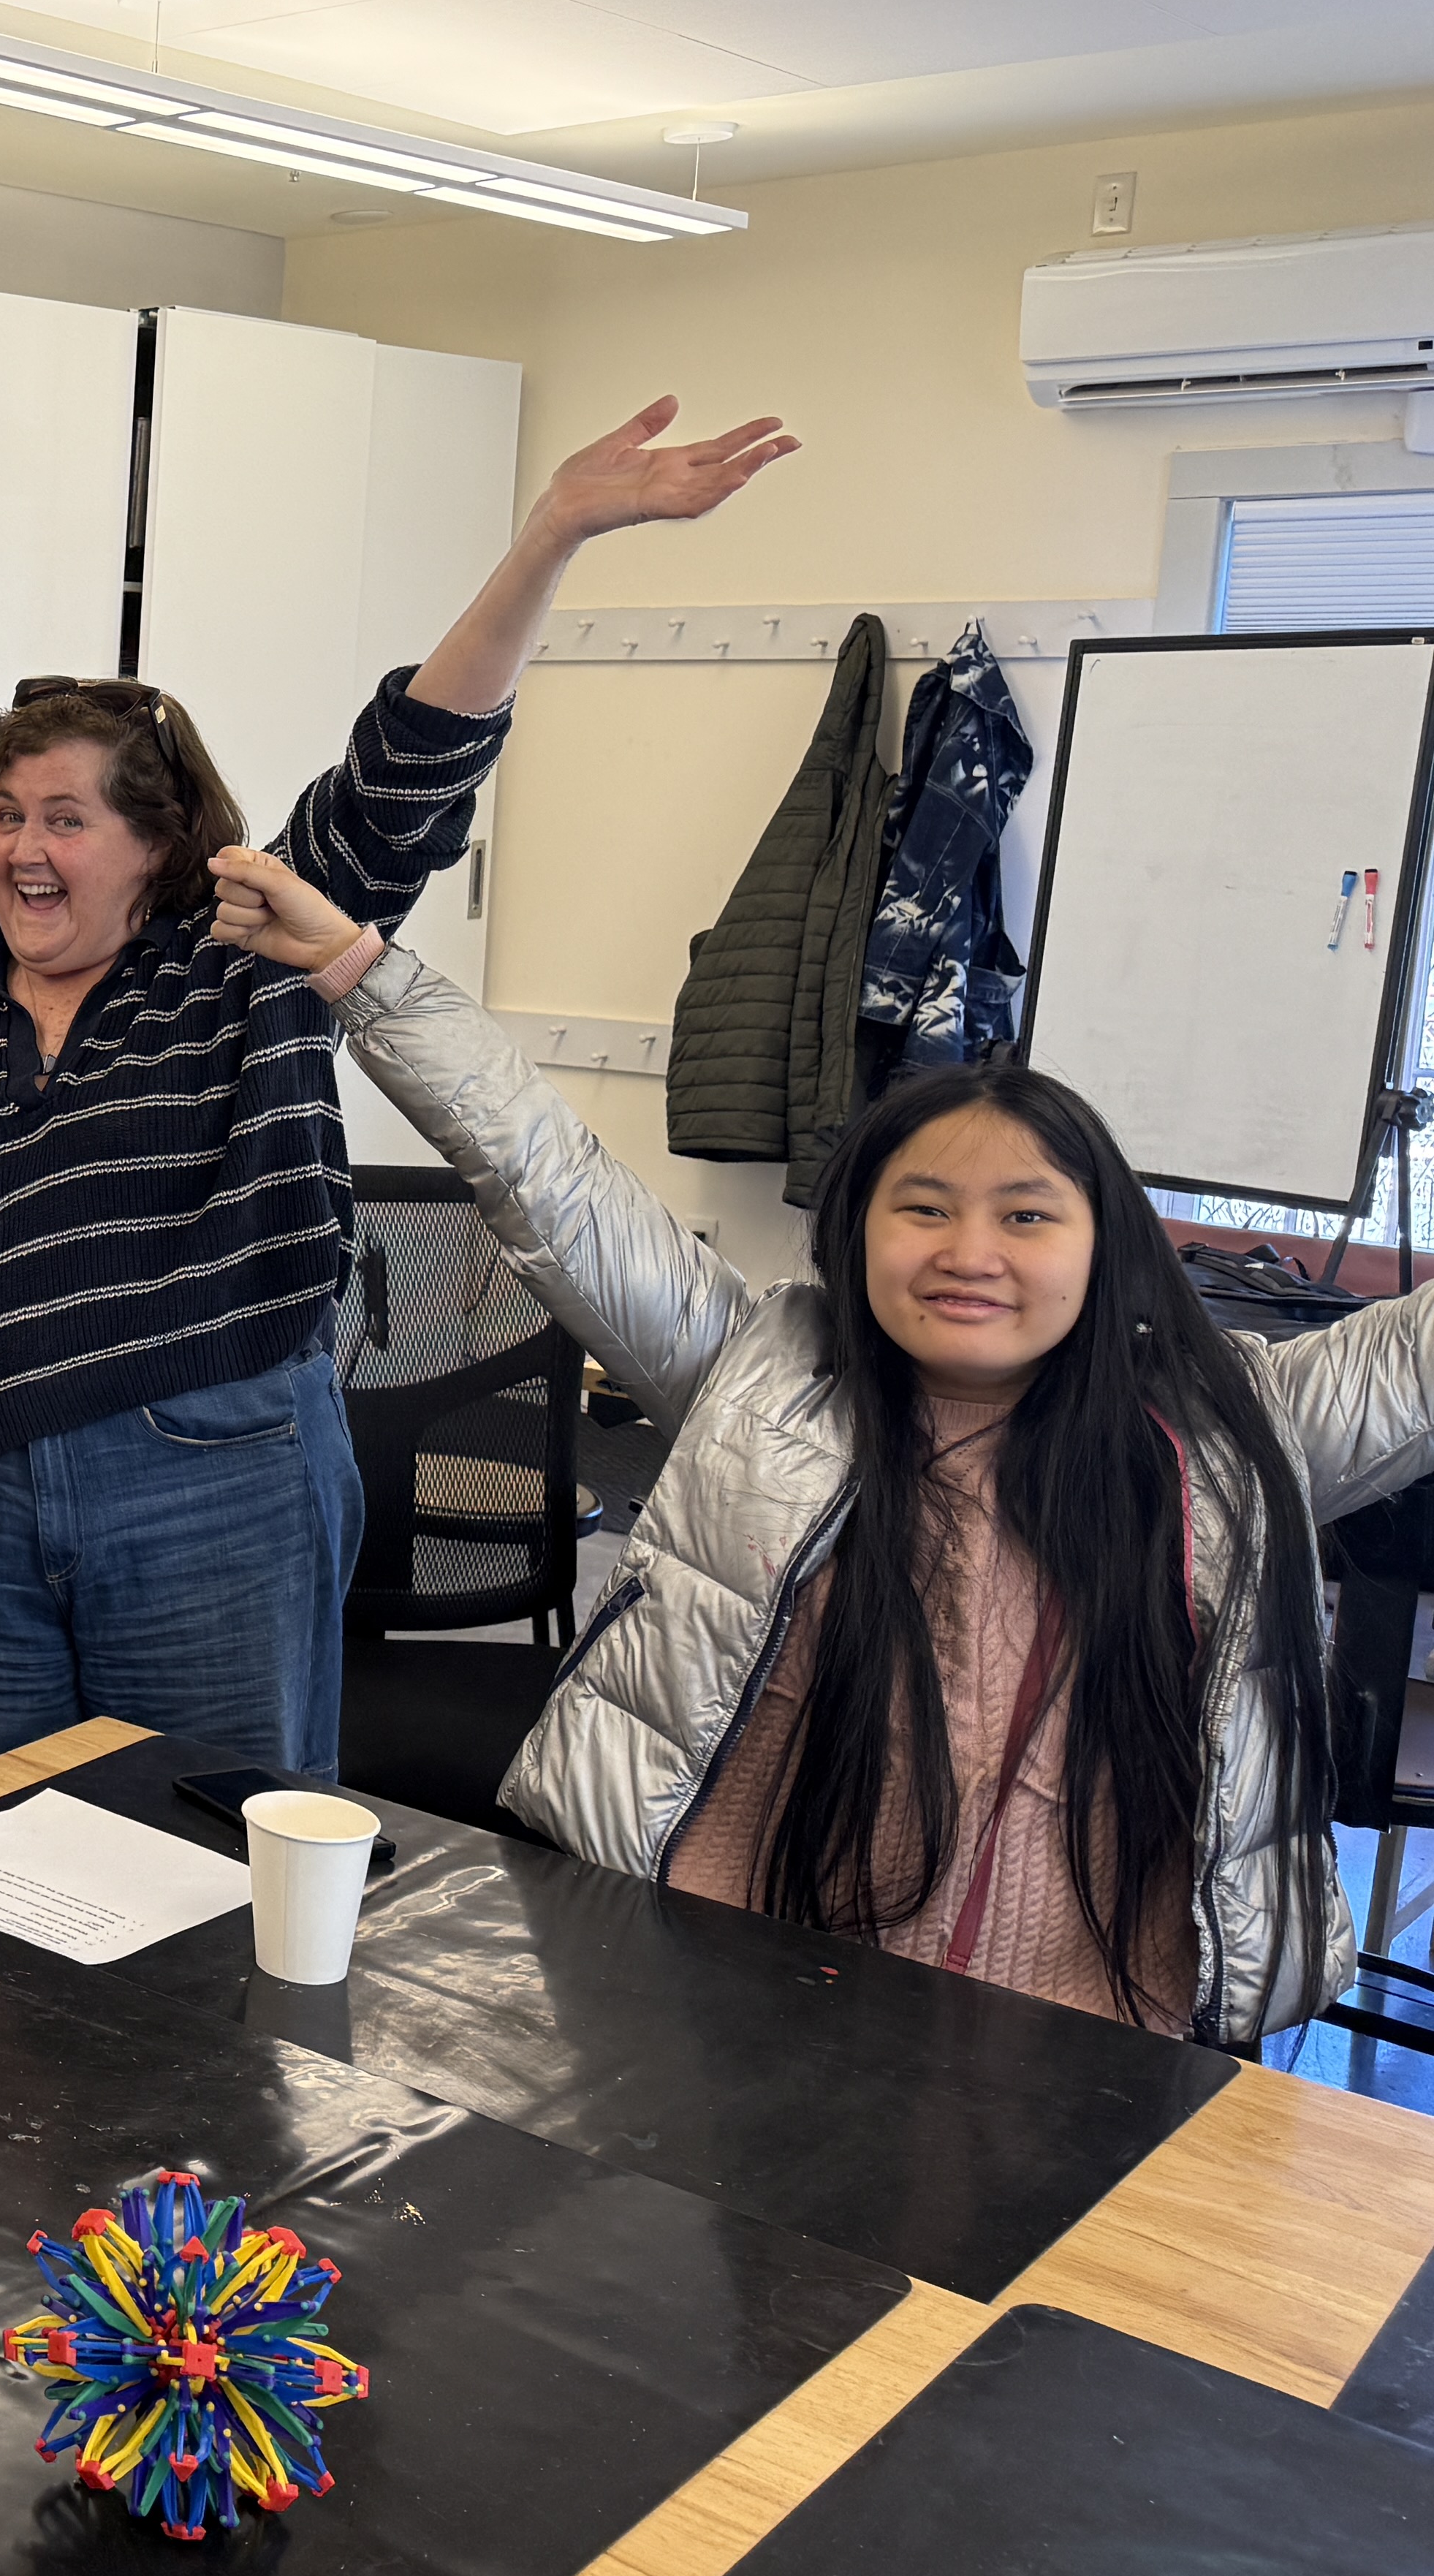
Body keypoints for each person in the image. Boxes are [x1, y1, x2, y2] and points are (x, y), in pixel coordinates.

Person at [210, 843, 1387, 2039]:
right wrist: (365, 972)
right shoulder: (760, 1378)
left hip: (1091, 2037)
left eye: (1027, 1215)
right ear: (856, 1233)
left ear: (1106, 1245)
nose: (969, 1252)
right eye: (922, 1208)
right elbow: (546, 1175)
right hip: (746, 1999)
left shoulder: (1238, 1433)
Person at [0, 403, 797, 1783]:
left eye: (67, 819)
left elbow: (402, 778)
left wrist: (552, 533)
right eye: (7, 816)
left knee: (207, 1881)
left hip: (214, 1480)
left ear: (157, 849)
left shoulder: (237, 964)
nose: (24, 849)